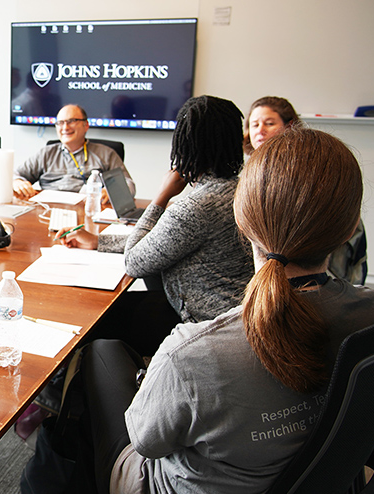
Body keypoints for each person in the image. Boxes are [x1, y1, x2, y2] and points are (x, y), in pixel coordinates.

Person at [22, 127, 374, 494]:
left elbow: (145, 442)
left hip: (172, 490)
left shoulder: (191, 354)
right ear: (350, 227)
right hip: (323, 484)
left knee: (101, 354)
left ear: (242, 218)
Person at [59, 95, 254, 332]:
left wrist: (161, 197)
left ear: (185, 144)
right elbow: (163, 241)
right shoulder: (241, 189)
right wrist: (99, 241)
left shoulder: (195, 208)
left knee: (94, 317)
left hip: (204, 325)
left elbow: (133, 262)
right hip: (237, 315)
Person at [244, 95, 368, 284]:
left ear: (290, 125)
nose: (260, 131)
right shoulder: (249, 175)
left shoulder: (310, 167)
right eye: (254, 125)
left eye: (269, 123)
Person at [13, 104, 136, 200]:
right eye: (60, 123)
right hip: (49, 209)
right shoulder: (46, 153)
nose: (65, 127)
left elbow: (129, 184)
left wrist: (113, 192)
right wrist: (17, 182)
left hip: (89, 210)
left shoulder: (106, 154)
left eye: (71, 121)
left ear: (86, 125)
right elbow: (15, 175)